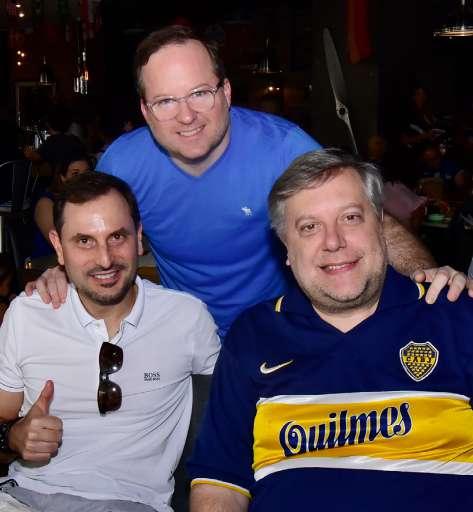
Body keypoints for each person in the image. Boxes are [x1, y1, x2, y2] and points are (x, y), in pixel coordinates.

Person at [28, 26, 469, 336]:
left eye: (200, 93)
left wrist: (424, 275)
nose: (186, 116)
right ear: (145, 110)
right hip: (185, 335)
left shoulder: (283, 149)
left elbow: (366, 222)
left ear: (225, 92)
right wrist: (61, 274)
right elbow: (84, 229)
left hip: (281, 327)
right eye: (166, 101)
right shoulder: (125, 162)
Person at [188, 149, 473, 511]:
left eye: (350, 218)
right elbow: (220, 484)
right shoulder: (255, 333)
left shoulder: (454, 315)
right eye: (309, 227)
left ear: (381, 226)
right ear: (286, 248)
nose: (334, 241)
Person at [0, 172, 219, 512]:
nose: (104, 259)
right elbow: (3, 416)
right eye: (84, 241)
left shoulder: (187, 318)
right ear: (58, 247)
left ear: (139, 237)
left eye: (117, 237)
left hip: (132, 503)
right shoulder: (29, 314)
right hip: (24, 497)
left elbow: (230, 417)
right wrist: (13, 437)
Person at [32, 150, 91, 258]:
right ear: (63, 177)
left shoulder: (90, 201)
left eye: (86, 173)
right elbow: (59, 244)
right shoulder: (46, 203)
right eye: (75, 174)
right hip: (49, 261)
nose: (82, 179)